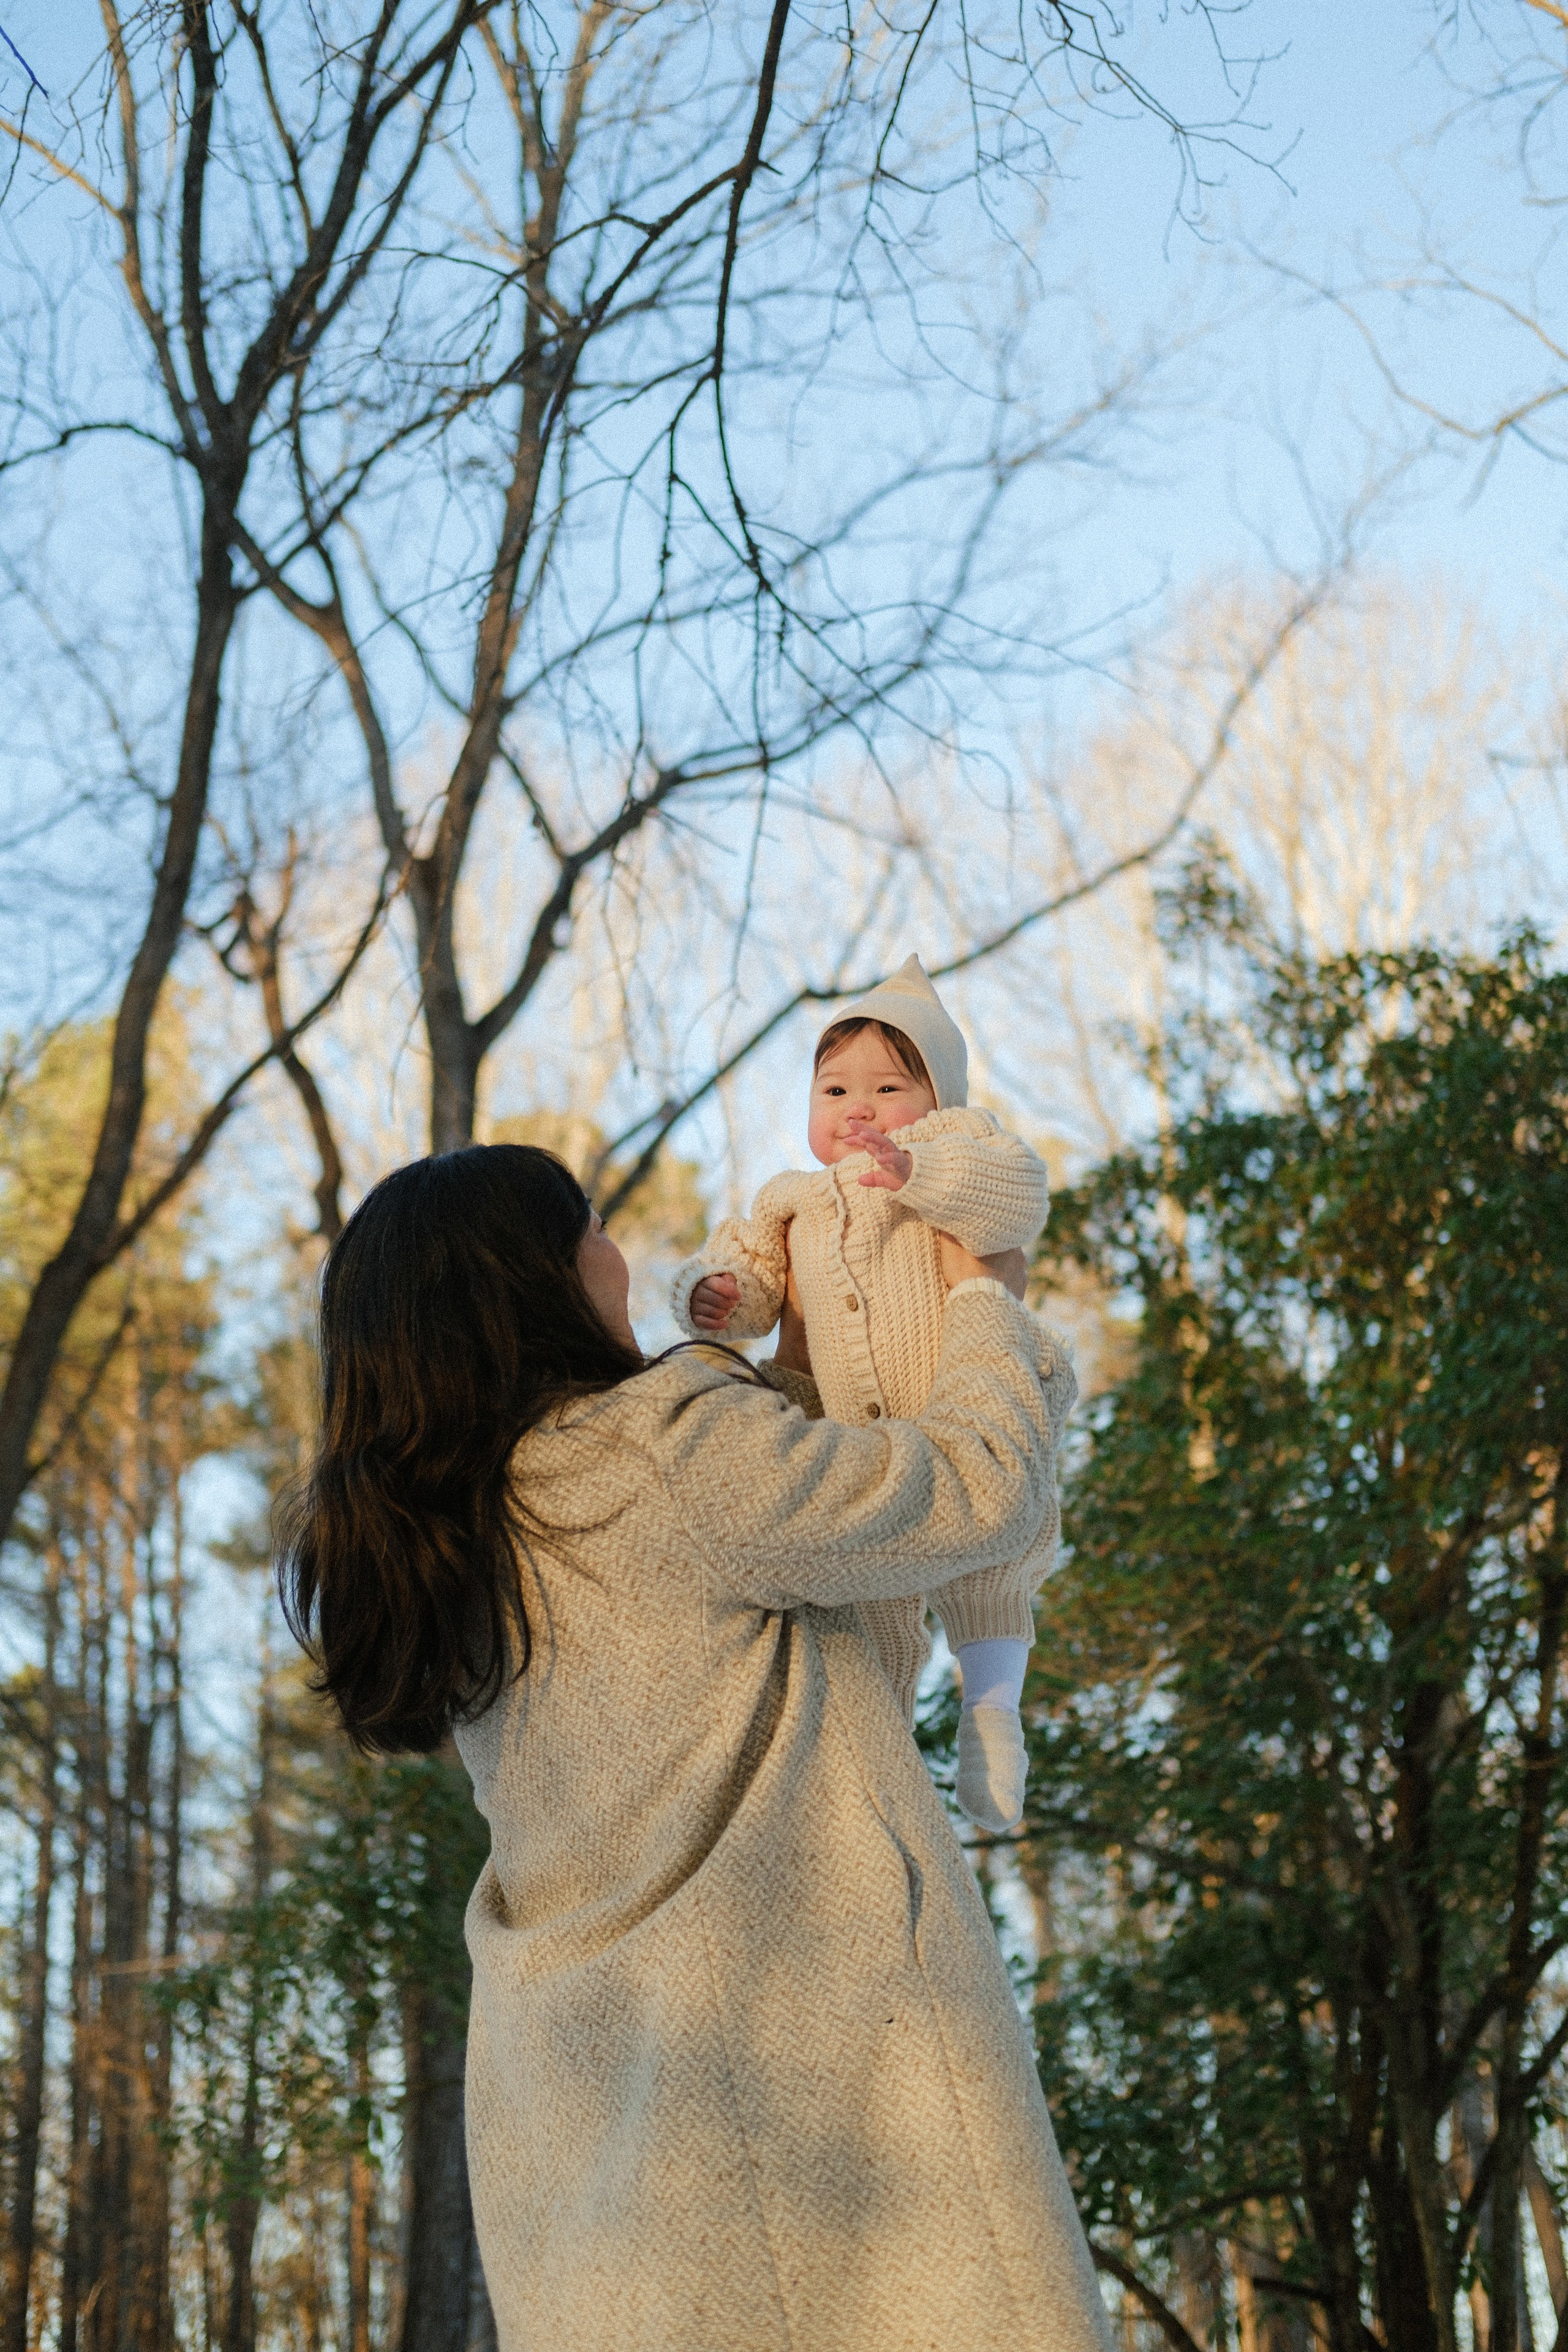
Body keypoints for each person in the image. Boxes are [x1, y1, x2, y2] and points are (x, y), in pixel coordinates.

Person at [278, 1144, 1111, 2352]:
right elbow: (981, 1487)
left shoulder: (456, 1545)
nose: (616, 1255)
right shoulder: (664, 1447)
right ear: (546, 1278)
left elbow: (828, 1676)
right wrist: (983, 1294)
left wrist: (804, 1376)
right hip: (810, 2119)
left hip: (591, 2143)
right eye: (592, 1229)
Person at [673, 954, 1065, 1831]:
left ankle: (992, 1716)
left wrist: (919, 1175)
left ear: (941, 1105)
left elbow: (1015, 1206)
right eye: (836, 1090)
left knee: (994, 1565)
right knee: (868, 1599)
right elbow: (751, 1268)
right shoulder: (792, 1199)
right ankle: (879, 1764)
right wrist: (715, 1295)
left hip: (965, 1404)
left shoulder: (959, 1157)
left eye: (890, 1088)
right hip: (859, 1444)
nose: (860, 1110)